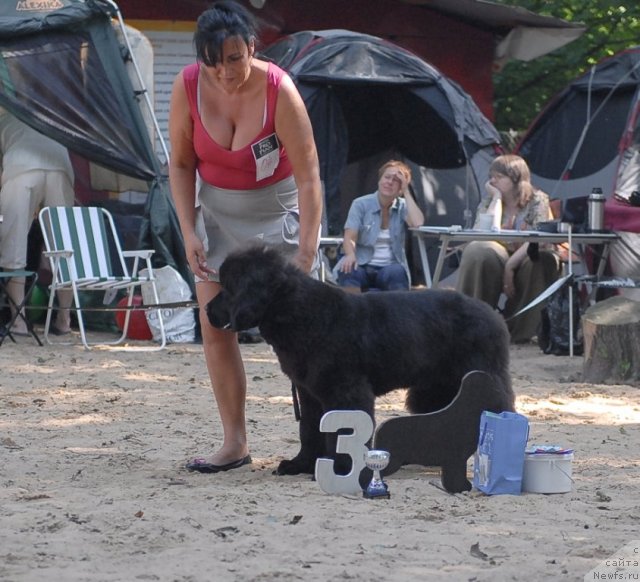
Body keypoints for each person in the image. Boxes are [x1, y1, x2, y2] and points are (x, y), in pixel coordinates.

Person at [169, 1, 323, 473]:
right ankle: (234, 441)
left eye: (234, 59)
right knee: (216, 325)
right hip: (216, 214)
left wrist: (306, 249)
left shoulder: (280, 89)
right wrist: (188, 229)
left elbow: (309, 174)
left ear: (252, 49)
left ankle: (315, 443)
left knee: (304, 332)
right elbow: (179, 164)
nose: (225, 71)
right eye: (214, 62)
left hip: (276, 212)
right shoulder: (188, 84)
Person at [455, 154, 561, 343]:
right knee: (478, 251)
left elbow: (539, 236)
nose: (492, 181)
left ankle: (521, 330)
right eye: (491, 176)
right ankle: (472, 324)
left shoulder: (538, 200)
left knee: (541, 258)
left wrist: (510, 266)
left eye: (498, 177)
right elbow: (484, 233)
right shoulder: (490, 200)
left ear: (516, 178)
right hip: (499, 251)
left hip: (526, 252)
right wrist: (496, 198)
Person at [0, 108, 74, 337]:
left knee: (14, 245)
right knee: (64, 248)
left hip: (20, 168)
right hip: (60, 164)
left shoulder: (4, 116)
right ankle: (64, 319)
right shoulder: (43, 109)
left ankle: (19, 321)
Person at [334, 160, 424, 292]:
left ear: (400, 188)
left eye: (396, 180)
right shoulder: (360, 204)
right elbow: (350, 237)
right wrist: (350, 255)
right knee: (348, 269)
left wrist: (407, 192)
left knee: (397, 273)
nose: (389, 182)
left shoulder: (403, 206)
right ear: (379, 181)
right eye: (387, 177)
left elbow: (417, 223)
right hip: (361, 263)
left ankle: (395, 312)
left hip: (389, 267)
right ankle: (352, 311)